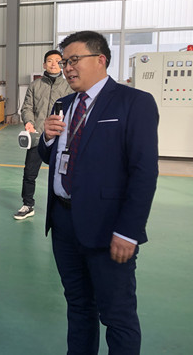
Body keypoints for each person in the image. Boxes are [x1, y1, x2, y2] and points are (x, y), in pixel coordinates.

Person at [39, 31, 159, 354]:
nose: (67, 68)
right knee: (78, 306)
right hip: (64, 224)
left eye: (74, 60)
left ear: (101, 60)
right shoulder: (64, 104)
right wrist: (47, 138)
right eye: (64, 62)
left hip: (108, 228)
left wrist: (129, 231)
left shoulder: (134, 103)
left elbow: (144, 173)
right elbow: (51, 156)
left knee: (117, 315)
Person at [14, 50, 71, 220]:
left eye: (57, 61)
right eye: (50, 61)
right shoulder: (35, 85)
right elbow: (27, 107)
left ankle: (64, 205)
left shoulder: (69, 86)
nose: (53, 64)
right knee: (29, 173)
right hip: (38, 136)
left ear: (62, 64)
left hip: (61, 138)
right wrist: (29, 122)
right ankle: (27, 205)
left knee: (62, 174)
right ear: (44, 64)